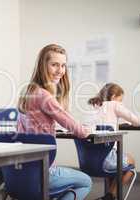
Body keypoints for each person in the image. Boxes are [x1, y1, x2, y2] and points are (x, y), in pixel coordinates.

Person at [17, 44, 92, 200]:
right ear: (43, 66)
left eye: (63, 65)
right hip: (42, 172)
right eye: (55, 65)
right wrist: (87, 129)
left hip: (20, 171)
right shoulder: (44, 96)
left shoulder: (27, 92)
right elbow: (80, 131)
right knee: (86, 182)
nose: (60, 70)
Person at [88, 82, 140, 200]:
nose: (121, 103)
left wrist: (116, 124)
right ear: (113, 97)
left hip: (90, 160)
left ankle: (109, 195)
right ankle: (110, 195)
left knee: (116, 160)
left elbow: (102, 125)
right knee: (131, 162)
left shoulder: (96, 106)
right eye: (120, 100)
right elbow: (136, 121)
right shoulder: (114, 105)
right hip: (106, 160)